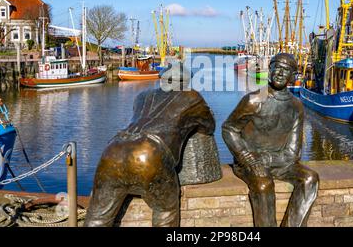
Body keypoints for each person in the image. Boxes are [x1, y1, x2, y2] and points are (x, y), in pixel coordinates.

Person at [84, 63, 217, 227]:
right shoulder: (191, 97)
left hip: (113, 149)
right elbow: (209, 126)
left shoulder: (142, 95)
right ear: (185, 82)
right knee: (166, 211)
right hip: (149, 153)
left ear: (162, 80)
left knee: (97, 218)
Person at [222, 53, 319, 227]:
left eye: (286, 70)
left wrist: (274, 159)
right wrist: (247, 158)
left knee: (310, 178)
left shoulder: (296, 106)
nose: (280, 73)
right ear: (270, 70)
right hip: (250, 162)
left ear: (292, 75)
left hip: (281, 162)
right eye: (277, 68)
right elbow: (229, 129)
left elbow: (293, 150)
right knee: (264, 185)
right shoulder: (253, 100)